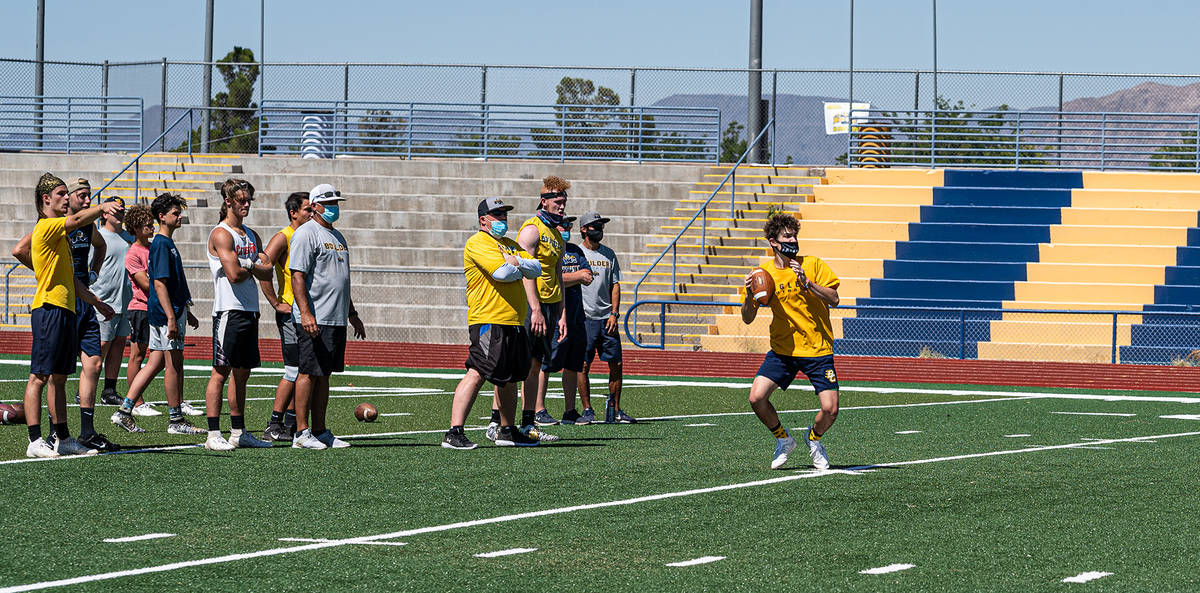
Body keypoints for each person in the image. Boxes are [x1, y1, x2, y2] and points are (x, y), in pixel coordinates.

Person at [16, 173, 122, 457]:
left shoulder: (58, 235)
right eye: (61, 193)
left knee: (60, 377)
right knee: (39, 375)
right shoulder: (49, 226)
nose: (66, 198)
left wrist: (96, 302)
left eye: (67, 193)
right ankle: (35, 440)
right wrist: (102, 207)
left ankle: (62, 437)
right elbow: (76, 220)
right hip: (48, 308)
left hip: (66, 307)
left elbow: (72, 281)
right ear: (45, 200)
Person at [740, 212, 841, 470]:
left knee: (830, 410)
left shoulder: (813, 264)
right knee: (756, 397)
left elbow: (834, 298)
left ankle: (814, 438)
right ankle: (784, 440)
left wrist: (808, 283)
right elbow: (748, 318)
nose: (793, 240)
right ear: (773, 241)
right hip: (783, 350)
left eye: (795, 235)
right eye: (787, 236)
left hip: (817, 348)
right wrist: (751, 296)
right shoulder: (764, 274)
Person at [442, 198, 541, 450]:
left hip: (513, 321)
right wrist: (518, 265)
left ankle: (507, 430)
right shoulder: (478, 242)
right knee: (478, 371)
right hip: (489, 319)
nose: (502, 219)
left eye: (504, 214)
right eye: (496, 215)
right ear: (483, 220)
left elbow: (537, 267)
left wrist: (515, 262)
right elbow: (502, 273)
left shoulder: (509, 245)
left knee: (509, 377)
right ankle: (454, 432)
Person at [112, 193, 205, 437]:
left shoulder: (164, 243)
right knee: (173, 363)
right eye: (175, 212)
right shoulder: (162, 244)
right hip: (165, 314)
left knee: (155, 362)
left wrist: (186, 311)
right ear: (162, 217)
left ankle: (125, 410)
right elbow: (160, 284)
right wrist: (172, 317)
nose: (179, 216)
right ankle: (175, 419)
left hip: (166, 311)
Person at [288, 184, 366, 450]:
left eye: (337, 202)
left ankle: (320, 430)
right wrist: (306, 312)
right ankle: (301, 432)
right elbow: (297, 275)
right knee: (308, 373)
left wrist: (352, 313)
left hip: (335, 317)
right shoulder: (305, 233)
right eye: (330, 203)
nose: (335, 207)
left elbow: (341, 279)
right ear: (316, 205)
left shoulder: (339, 236)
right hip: (314, 316)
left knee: (324, 375)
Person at [202, 179, 275, 451]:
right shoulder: (221, 234)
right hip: (228, 311)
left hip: (249, 310)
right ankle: (212, 434)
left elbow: (268, 270)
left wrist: (248, 264)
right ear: (228, 201)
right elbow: (233, 275)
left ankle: (238, 431)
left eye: (249, 200)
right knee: (221, 371)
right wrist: (251, 264)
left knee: (242, 373)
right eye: (241, 200)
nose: (246, 205)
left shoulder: (251, 235)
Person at [507, 176, 569, 438]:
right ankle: (497, 422)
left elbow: (557, 275)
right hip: (534, 306)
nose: (562, 206)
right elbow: (524, 270)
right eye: (557, 201)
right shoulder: (532, 229)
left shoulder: (556, 233)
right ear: (544, 201)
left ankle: (529, 422)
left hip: (550, 306)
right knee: (516, 365)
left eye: (564, 201)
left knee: (536, 365)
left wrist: (562, 314)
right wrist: (534, 308)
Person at [257, 192, 313, 442]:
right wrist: (275, 302)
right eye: (307, 210)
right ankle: (274, 423)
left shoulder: (308, 235)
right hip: (291, 312)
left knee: (306, 370)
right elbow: (263, 266)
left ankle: (291, 423)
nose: (311, 214)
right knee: (293, 370)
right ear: (293, 213)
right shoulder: (284, 237)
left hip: (306, 312)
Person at [578, 211, 635, 424]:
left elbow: (615, 285)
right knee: (583, 365)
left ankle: (616, 409)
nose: (599, 229)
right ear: (584, 229)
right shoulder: (577, 254)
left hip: (606, 318)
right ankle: (587, 409)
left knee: (616, 364)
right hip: (584, 319)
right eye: (594, 225)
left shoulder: (609, 254)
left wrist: (614, 313)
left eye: (601, 225)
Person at [121, 204, 172, 417]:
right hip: (141, 308)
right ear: (135, 228)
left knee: (159, 357)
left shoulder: (153, 248)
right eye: (146, 225)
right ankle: (137, 402)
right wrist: (165, 291)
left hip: (155, 307)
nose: (151, 227)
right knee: (138, 355)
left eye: (151, 224)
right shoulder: (133, 253)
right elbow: (147, 284)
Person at [543, 216, 594, 424]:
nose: (566, 228)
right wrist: (576, 277)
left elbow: (588, 277)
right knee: (546, 363)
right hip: (554, 316)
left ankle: (569, 411)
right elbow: (550, 277)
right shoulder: (550, 250)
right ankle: (538, 409)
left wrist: (569, 278)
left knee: (573, 364)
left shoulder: (575, 250)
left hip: (576, 315)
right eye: (563, 224)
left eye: (569, 225)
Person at [92, 196, 134, 408]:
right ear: (105, 213)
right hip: (104, 300)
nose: (120, 213)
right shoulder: (98, 236)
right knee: (100, 347)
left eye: (122, 210)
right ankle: (87, 388)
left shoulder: (128, 237)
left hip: (125, 301)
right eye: (116, 210)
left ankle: (109, 390)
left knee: (118, 346)